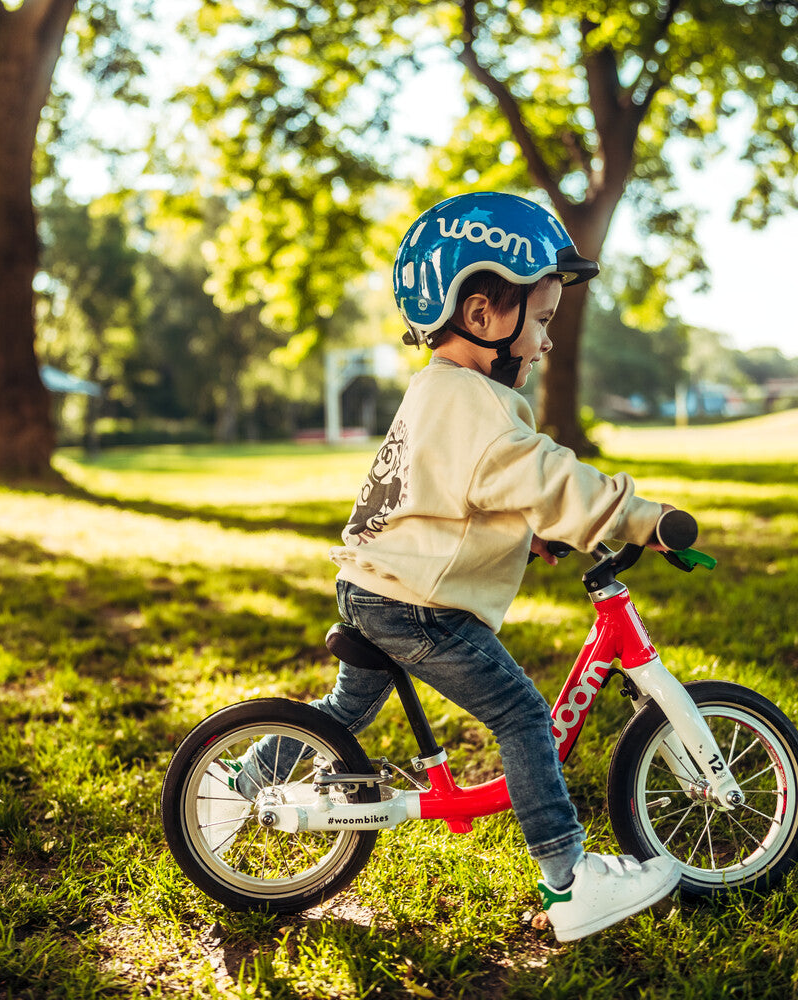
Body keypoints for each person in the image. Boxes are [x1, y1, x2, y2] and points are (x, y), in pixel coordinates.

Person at [210, 191, 681, 941]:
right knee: (522, 714)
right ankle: (569, 883)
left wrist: (519, 536)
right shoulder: (477, 402)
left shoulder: (439, 390)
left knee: (343, 715)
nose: (546, 341)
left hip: (376, 585)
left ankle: (249, 780)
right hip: (416, 605)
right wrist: (639, 517)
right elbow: (546, 477)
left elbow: (450, 494)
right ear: (480, 315)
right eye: (543, 319)